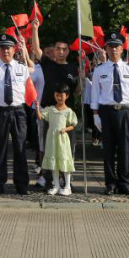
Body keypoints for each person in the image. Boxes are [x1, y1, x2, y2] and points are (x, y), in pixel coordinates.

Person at [90, 31, 129, 196]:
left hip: (126, 111)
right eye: (110, 46)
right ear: (106, 48)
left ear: (122, 48)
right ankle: (110, 183)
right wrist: (96, 115)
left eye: (117, 46)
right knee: (109, 150)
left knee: (126, 149)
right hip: (107, 111)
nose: (114, 50)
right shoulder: (100, 69)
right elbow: (95, 94)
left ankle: (124, 183)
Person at [29, 25, 78, 191]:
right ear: (54, 50)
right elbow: (36, 48)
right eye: (58, 49)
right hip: (49, 113)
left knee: (67, 149)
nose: (61, 52)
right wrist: (35, 29)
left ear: (68, 51)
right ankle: (48, 178)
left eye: (64, 49)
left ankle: (67, 180)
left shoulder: (73, 68)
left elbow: (77, 90)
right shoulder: (48, 65)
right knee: (47, 147)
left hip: (67, 115)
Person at [0, 33, 31, 196]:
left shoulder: (22, 69)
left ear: (14, 49)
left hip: (18, 111)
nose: (5, 51)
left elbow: (28, 90)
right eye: (2, 48)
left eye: (8, 48)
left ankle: (21, 184)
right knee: (0, 148)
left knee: (20, 148)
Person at [37, 84, 77, 196]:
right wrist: (36, 107)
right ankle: (56, 185)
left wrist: (65, 129)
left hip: (63, 140)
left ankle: (67, 186)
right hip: (52, 140)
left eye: (61, 95)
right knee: (54, 163)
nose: (59, 97)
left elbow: (73, 124)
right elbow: (40, 117)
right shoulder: (50, 109)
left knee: (64, 160)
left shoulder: (68, 111)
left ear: (67, 96)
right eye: (57, 95)